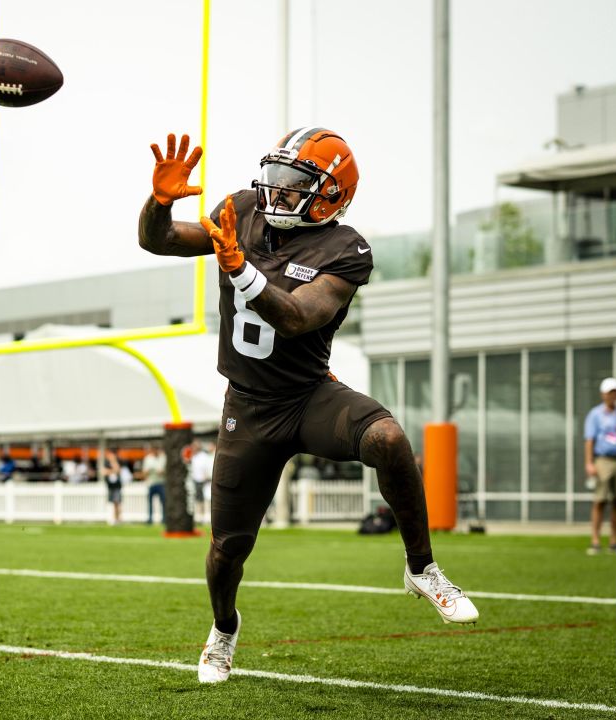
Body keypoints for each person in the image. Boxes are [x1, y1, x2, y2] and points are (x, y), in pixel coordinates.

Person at [138, 130, 479, 683]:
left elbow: (297, 316)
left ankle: (424, 569)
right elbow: (158, 242)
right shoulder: (243, 210)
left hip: (307, 396)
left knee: (388, 438)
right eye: (277, 178)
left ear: (331, 197)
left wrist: (239, 271)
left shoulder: (347, 249)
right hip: (247, 407)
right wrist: (159, 204)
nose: (278, 194)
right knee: (227, 551)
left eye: (297, 185)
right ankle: (223, 629)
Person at [585, 377, 616, 555]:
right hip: (603, 459)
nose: (613, 395)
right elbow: (589, 439)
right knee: (600, 500)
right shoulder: (595, 414)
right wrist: (589, 462)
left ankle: (614, 541)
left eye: (615, 391)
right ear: (603, 394)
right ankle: (595, 540)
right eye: (610, 392)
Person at [139, 446, 167, 525]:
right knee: (150, 503)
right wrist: (150, 471)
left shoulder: (163, 458)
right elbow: (144, 473)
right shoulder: (148, 459)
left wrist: (160, 471)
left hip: (161, 483)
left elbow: (164, 471)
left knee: (163, 502)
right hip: (151, 483)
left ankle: (164, 519)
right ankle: (150, 519)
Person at [189, 442, 214, 524]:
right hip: (196, 480)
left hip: (204, 480)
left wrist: (206, 477)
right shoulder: (194, 457)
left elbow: (207, 467)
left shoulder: (204, 456)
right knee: (198, 499)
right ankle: (199, 517)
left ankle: (205, 516)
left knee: (206, 499)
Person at [103, 449, 123, 525]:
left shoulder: (118, 461)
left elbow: (118, 470)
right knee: (112, 502)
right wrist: (112, 471)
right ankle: (113, 518)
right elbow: (104, 472)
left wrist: (114, 462)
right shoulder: (106, 463)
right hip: (110, 486)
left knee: (117, 502)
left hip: (117, 486)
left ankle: (118, 519)